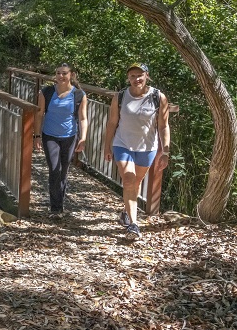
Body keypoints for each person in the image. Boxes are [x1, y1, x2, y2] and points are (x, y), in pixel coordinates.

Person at [103, 63, 170, 240]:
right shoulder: (120, 96)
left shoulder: (158, 97)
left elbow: (163, 126)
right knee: (128, 178)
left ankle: (126, 211)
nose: (136, 79)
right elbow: (112, 123)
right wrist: (107, 146)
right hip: (122, 143)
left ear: (147, 75)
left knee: (136, 181)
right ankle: (133, 224)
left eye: (139, 75)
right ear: (128, 78)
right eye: (132, 76)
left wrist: (166, 150)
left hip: (147, 147)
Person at [34, 63, 88, 218]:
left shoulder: (79, 95)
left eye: (64, 73)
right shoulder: (47, 92)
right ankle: (55, 208)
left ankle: (60, 203)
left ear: (71, 75)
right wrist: (36, 136)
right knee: (54, 169)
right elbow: (39, 114)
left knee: (63, 170)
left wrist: (83, 138)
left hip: (70, 136)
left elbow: (83, 118)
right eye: (58, 73)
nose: (60, 76)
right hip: (49, 135)